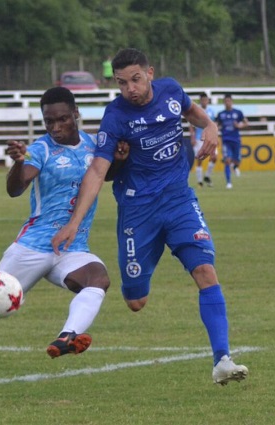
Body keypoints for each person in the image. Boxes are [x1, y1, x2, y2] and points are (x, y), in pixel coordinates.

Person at [51, 48, 248, 386]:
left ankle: (222, 359)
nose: (130, 88)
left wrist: (211, 127)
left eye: (136, 79)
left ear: (150, 73)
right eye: (122, 82)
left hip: (178, 200)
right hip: (137, 210)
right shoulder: (115, 116)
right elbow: (97, 171)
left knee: (205, 271)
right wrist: (74, 222)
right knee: (136, 301)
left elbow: (194, 112)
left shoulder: (171, 90)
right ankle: (148, 260)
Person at [0, 87, 125, 394]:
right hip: (33, 246)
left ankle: (67, 336)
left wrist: (120, 158)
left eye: (62, 119)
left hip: (72, 248)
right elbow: (16, 189)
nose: (55, 127)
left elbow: (103, 174)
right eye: (48, 121)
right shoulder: (40, 150)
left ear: (76, 115)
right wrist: (18, 162)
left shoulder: (94, 145)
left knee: (98, 279)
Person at [215, 94, 248, 189]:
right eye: (225, 101)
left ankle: (235, 166)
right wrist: (216, 129)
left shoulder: (238, 113)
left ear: (232, 102)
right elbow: (216, 125)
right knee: (227, 160)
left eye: (229, 101)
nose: (227, 103)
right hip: (226, 140)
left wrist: (239, 126)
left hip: (236, 139)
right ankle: (229, 182)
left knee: (237, 161)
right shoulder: (221, 114)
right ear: (223, 102)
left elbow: (246, 122)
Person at [188, 93, 217, 187]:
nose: (204, 101)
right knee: (200, 159)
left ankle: (207, 176)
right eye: (203, 100)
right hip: (199, 138)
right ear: (200, 101)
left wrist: (216, 137)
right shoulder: (197, 111)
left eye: (206, 100)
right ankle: (200, 181)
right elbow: (191, 125)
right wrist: (192, 137)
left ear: (208, 100)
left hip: (210, 138)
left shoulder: (211, 111)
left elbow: (214, 125)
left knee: (214, 157)